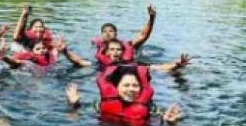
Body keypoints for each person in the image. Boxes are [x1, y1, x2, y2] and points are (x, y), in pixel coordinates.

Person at [65, 65, 181, 126]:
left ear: (141, 89)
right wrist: (74, 105)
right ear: (117, 88)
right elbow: (75, 122)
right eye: (126, 85)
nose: (131, 89)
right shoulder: (99, 105)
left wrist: (170, 125)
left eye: (135, 85)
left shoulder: (152, 109)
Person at [59, 38, 190, 74]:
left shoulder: (131, 65)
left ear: (122, 52)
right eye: (112, 49)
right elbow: (80, 62)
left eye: (118, 50)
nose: (115, 52)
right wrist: (65, 52)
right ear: (107, 52)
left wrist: (176, 65)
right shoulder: (99, 65)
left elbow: (158, 67)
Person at [91, 5, 157, 63]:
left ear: (116, 34)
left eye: (111, 31)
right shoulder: (97, 43)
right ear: (101, 35)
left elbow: (143, 35)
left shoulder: (126, 45)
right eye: (104, 31)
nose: (107, 33)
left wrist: (151, 18)